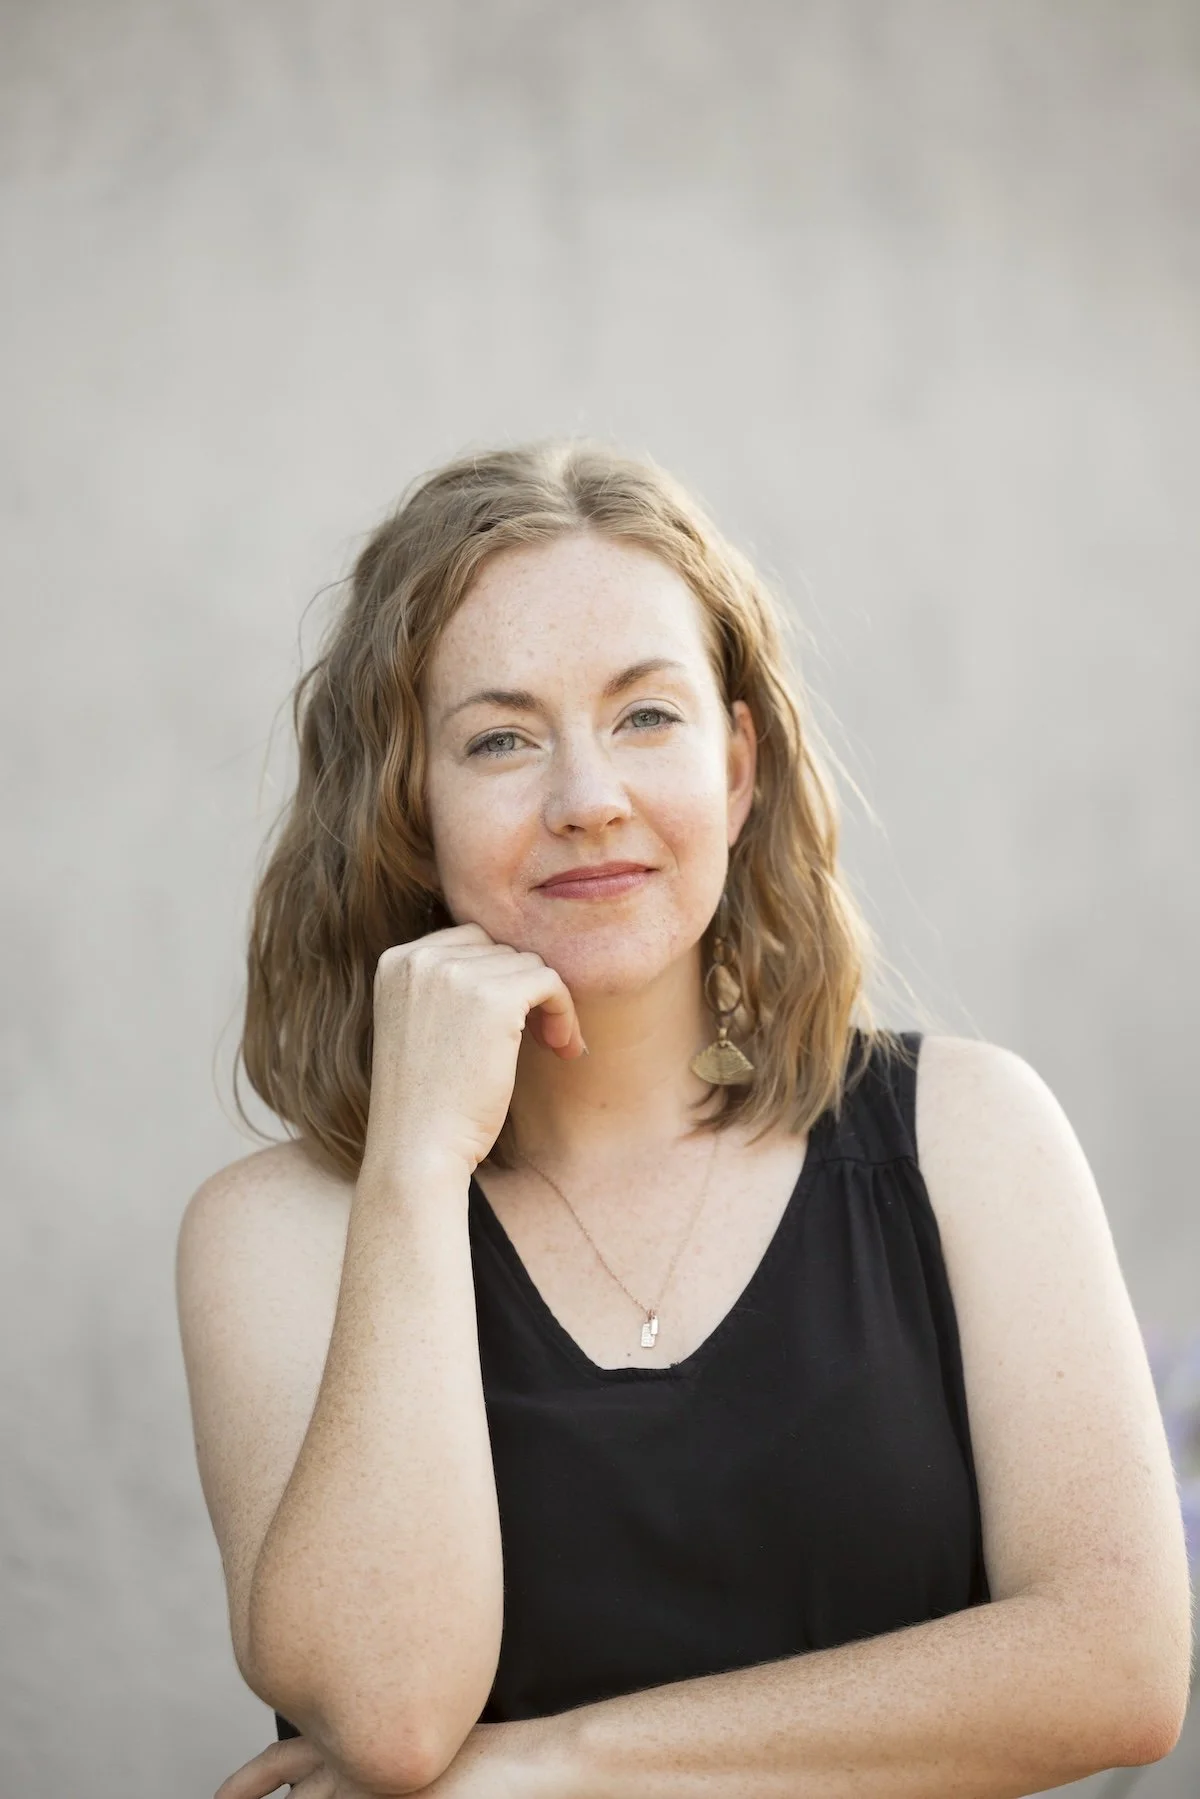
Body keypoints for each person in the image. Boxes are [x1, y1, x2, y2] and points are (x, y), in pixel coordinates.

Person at [177, 439, 1192, 1799]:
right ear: (406, 812)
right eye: (500, 737)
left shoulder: (970, 1135)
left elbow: (1119, 1668)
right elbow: (389, 1717)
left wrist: (560, 1762)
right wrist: (415, 1165)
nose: (587, 797)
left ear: (737, 764)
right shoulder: (279, 1232)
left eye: (646, 715)